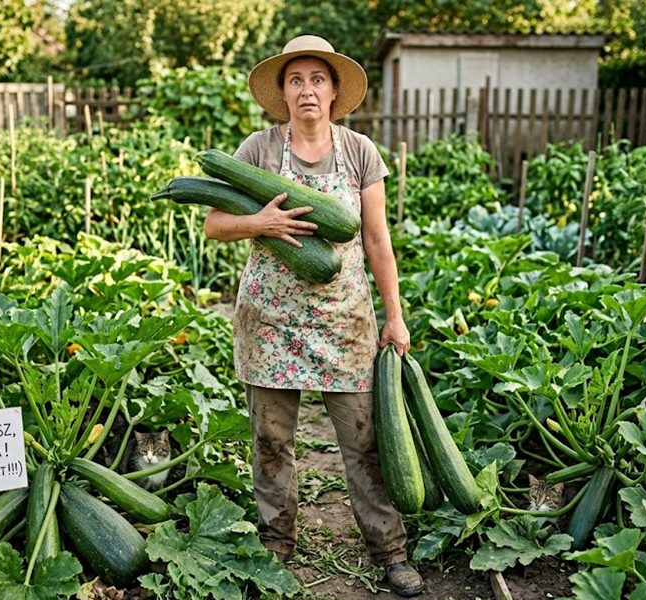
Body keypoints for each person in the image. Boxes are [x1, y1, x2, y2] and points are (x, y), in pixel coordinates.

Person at [203, 35, 424, 597]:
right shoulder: (257, 150)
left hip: (344, 318)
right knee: (271, 442)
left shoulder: (359, 152)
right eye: (296, 80)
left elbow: (376, 240)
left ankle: (390, 551)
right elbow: (214, 223)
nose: (307, 89)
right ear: (282, 92)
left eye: (317, 79)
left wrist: (395, 315)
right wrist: (259, 224)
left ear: (333, 91)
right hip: (270, 319)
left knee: (366, 440)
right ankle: (275, 548)